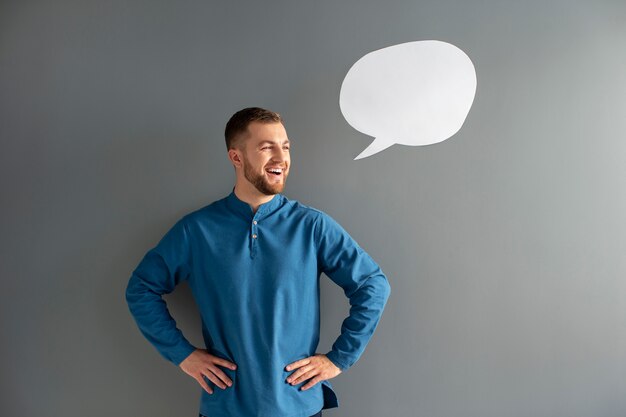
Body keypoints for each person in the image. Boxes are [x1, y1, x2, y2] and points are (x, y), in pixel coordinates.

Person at [125, 107, 391, 417]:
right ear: (236, 157)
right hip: (224, 408)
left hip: (300, 406)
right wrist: (182, 354)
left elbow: (373, 284)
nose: (281, 157)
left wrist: (338, 359)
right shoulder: (196, 230)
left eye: (286, 146)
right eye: (267, 147)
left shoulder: (312, 226)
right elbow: (141, 288)